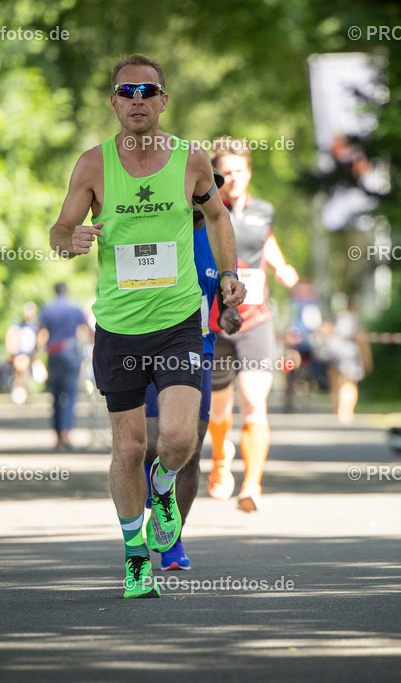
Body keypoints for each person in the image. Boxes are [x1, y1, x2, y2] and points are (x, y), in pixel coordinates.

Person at [49, 53, 245, 598]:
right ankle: (136, 552)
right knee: (130, 448)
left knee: (179, 438)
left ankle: (163, 489)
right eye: (125, 91)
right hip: (117, 325)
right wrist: (73, 240)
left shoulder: (190, 160)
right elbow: (59, 232)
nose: (136, 100)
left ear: (162, 100)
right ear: (113, 101)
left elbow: (218, 215)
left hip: (179, 320)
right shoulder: (92, 165)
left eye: (147, 91)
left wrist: (229, 275)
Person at [142, 171, 242, 570]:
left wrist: (229, 317)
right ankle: (150, 506)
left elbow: (227, 304)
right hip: (148, 347)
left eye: (207, 188)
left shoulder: (219, 236)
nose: (200, 193)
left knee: (188, 450)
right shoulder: (159, 228)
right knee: (150, 444)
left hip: (197, 349)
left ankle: (172, 539)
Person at [206, 138, 299, 513]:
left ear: (249, 172)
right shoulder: (204, 210)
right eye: (225, 173)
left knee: (254, 402)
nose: (233, 178)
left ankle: (252, 486)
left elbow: (265, 241)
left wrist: (281, 266)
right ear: (214, 174)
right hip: (215, 320)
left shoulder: (263, 211)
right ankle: (219, 459)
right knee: (217, 412)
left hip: (256, 319)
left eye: (239, 171)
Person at [37, 284, 90, 450]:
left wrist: (36, 353)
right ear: (66, 291)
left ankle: (57, 435)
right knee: (70, 394)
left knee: (55, 395)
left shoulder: (47, 308)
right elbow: (87, 328)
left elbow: (39, 332)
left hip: (53, 356)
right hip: (71, 356)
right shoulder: (75, 307)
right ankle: (66, 433)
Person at [325, 295, 372, 425]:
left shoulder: (335, 318)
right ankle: (346, 412)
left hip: (334, 353)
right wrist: (367, 358)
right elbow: (362, 340)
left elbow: (325, 332)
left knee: (335, 382)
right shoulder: (355, 320)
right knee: (349, 384)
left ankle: (336, 407)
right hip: (349, 355)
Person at [5, 302, 39, 405]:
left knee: (27, 375)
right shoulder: (17, 324)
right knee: (19, 374)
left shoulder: (35, 325)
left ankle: (25, 393)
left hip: (30, 354)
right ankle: (19, 393)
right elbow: (11, 337)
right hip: (19, 354)